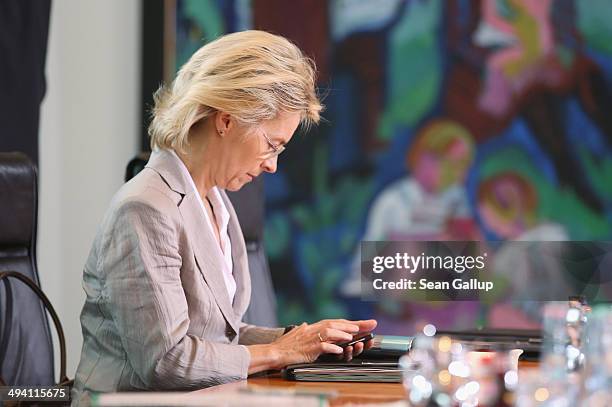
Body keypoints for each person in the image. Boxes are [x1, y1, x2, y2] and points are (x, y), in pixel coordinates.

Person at [71, 30, 376, 404]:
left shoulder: (215, 199)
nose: (273, 166)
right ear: (227, 120)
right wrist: (283, 352)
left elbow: (219, 336)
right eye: (271, 144)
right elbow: (167, 361)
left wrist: (306, 340)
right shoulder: (146, 208)